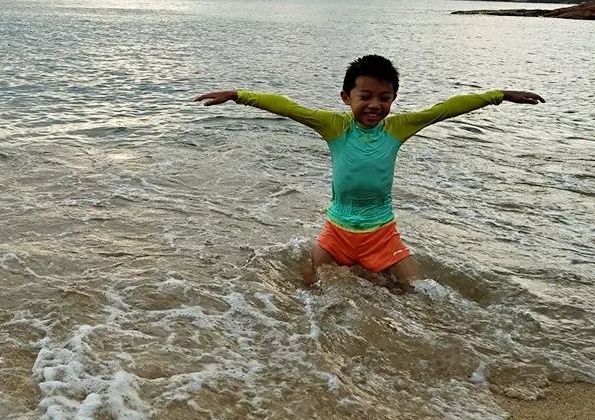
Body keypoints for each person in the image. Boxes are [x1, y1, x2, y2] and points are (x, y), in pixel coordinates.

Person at [195, 54, 544, 289]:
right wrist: (239, 95)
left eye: (384, 97)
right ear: (346, 97)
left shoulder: (398, 127)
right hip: (337, 233)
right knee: (307, 288)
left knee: (418, 292)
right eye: (365, 96)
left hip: (382, 235)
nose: (375, 105)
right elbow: (287, 107)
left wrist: (498, 95)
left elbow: (447, 109)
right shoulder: (333, 125)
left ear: (393, 98)